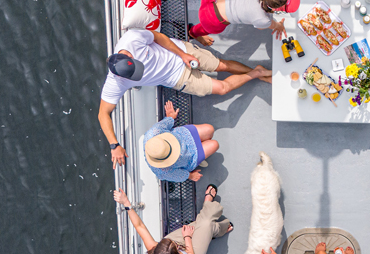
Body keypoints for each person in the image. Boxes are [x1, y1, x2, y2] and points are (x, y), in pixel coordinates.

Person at [98, 28, 270, 169]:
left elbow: (159, 37)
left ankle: (258, 73)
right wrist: (114, 145)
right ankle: (257, 73)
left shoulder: (132, 38)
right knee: (222, 89)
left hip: (181, 52)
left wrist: (183, 55)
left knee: (221, 65)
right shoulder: (116, 82)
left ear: (129, 57)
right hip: (177, 78)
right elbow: (103, 113)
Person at [113, 185, 233, 254]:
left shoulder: (153, 249)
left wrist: (127, 204)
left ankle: (212, 229)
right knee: (206, 223)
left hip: (180, 248)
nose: (174, 242)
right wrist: (187, 237)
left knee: (203, 224)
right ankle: (217, 228)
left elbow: (139, 226)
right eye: (173, 244)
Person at [188, 0, 300, 45]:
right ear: (274, 9)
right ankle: (193, 33)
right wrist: (279, 25)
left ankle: (194, 32)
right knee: (206, 27)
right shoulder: (262, 19)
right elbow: (268, 25)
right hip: (210, 18)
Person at [143, 100, 217, 182]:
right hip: (190, 158)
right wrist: (191, 176)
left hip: (185, 135)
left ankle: (202, 153)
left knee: (210, 129)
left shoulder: (153, 133)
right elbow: (179, 175)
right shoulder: (162, 171)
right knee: (214, 144)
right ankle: (200, 155)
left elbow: (165, 124)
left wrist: (170, 117)